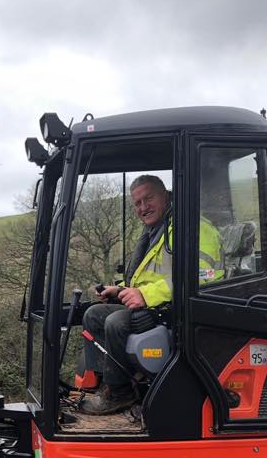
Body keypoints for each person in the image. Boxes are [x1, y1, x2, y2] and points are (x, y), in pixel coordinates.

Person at [79, 175, 221, 415]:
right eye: (137, 203)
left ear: (165, 196)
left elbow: (205, 276)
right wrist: (120, 289)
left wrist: (146, 295)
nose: (143, 207)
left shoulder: (193, 227)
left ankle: (120, 393)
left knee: (115, 322)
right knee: (93, 315)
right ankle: (111, 383)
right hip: (154, 304)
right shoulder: (157, 230)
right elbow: (147, 276)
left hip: (176, 311)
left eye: (148, 199)